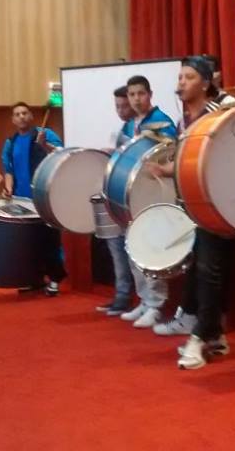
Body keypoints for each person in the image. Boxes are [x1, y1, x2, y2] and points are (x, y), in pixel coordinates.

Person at [148, 56, 235, 369]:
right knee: (204, 268)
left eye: (189, 77)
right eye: (180, 77)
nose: (181, 83)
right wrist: (165, 169)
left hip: (219, 203)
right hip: (196, 203)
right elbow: (188, 159)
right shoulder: (186, 119)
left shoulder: (220, 111)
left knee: (209, 271)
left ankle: (200, 336)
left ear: (206, 83)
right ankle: (215, 337)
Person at [118, 75, 178, 328]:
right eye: (132, 95)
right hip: (133, 196)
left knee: (151, 248)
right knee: (134, 249)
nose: (136, 99)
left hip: (155, 194)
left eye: (140, 94)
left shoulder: (162, 121)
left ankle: (156, 305)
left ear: (150, 94)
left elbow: (172, 152)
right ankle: (144, 299)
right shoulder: (129, 125)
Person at [0, 101, 65, 296]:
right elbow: (8, 170)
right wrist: (8, 188)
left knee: (49, 239)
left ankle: (55, 279)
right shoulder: (10, 142)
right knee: (28, 241)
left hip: (44, 196)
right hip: (22, 200)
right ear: (13, 120)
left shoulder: (46, 134)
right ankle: (34, 278)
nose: (21, 116)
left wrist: (44, 145)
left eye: (25, 113)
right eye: (17, 114)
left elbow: (61, 155)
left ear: (31, 116)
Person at [95, 86, 136, 317]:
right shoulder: (122, 129)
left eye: (124, 105)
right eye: (117, 106)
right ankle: (122, 295)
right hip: (117, 194)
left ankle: (138, 299)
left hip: (134, 198)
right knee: (116, 247)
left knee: (130, 250)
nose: (121, 110)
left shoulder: (143, 126)